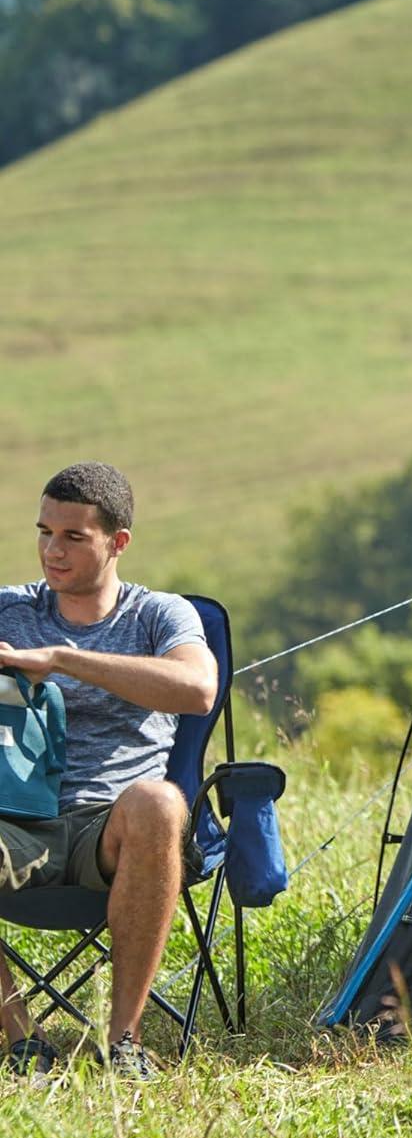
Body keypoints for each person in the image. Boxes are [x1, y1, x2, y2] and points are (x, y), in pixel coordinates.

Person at [0, 463, 218, 1080]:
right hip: (15, 823)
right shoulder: (9, 611)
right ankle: (21, 1039)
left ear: (117, 541)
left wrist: (64, 659)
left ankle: (122, 1041)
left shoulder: (158, 616)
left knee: (160, 802)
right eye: (43, 532)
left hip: (113, 829)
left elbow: (198, 688)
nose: (51, 550)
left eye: (73, 536)